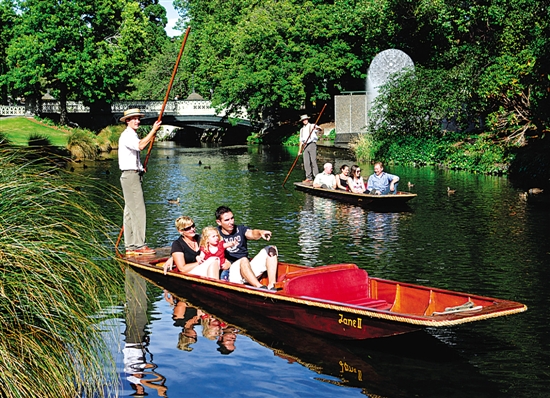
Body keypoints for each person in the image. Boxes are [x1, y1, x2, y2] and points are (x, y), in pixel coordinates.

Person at [119, 108, 162, 255]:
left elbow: (132, 156)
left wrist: (140, 168)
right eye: (134, 119)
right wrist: (153, 130)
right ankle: (140, 245)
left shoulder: (131, 135)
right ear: (127, 121)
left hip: (131, 174)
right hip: (130, 177)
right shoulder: (127, 135)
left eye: (138, 118)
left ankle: (130, 246)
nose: (137, 121)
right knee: (138, 210)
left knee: (130, 212)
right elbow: (141, 146)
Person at [215, 206, 278, 290]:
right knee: (243, 259)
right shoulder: (215, 234)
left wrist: (260, 232)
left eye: (232, 218)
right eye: (227, 220)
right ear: (219, 222)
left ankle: (272, 285)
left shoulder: (240, 229)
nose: (231, 222)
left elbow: (251, 233)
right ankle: (260, 287)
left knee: (271, 249)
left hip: (247, 269)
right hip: (232, 273)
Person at [298, 114, 321, 184]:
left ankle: (317, 177)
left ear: (307, 120)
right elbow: (301, 141)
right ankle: (309, 178)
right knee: (306, 162)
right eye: (303, 120)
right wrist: (299, 151)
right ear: (302, 121)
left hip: (312, 144)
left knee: (313, 161)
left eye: (306, 119)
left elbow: (320, 129)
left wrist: (316, 128)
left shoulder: (312, 126)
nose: (305, 121)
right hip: (305, 146)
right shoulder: (301, 130)